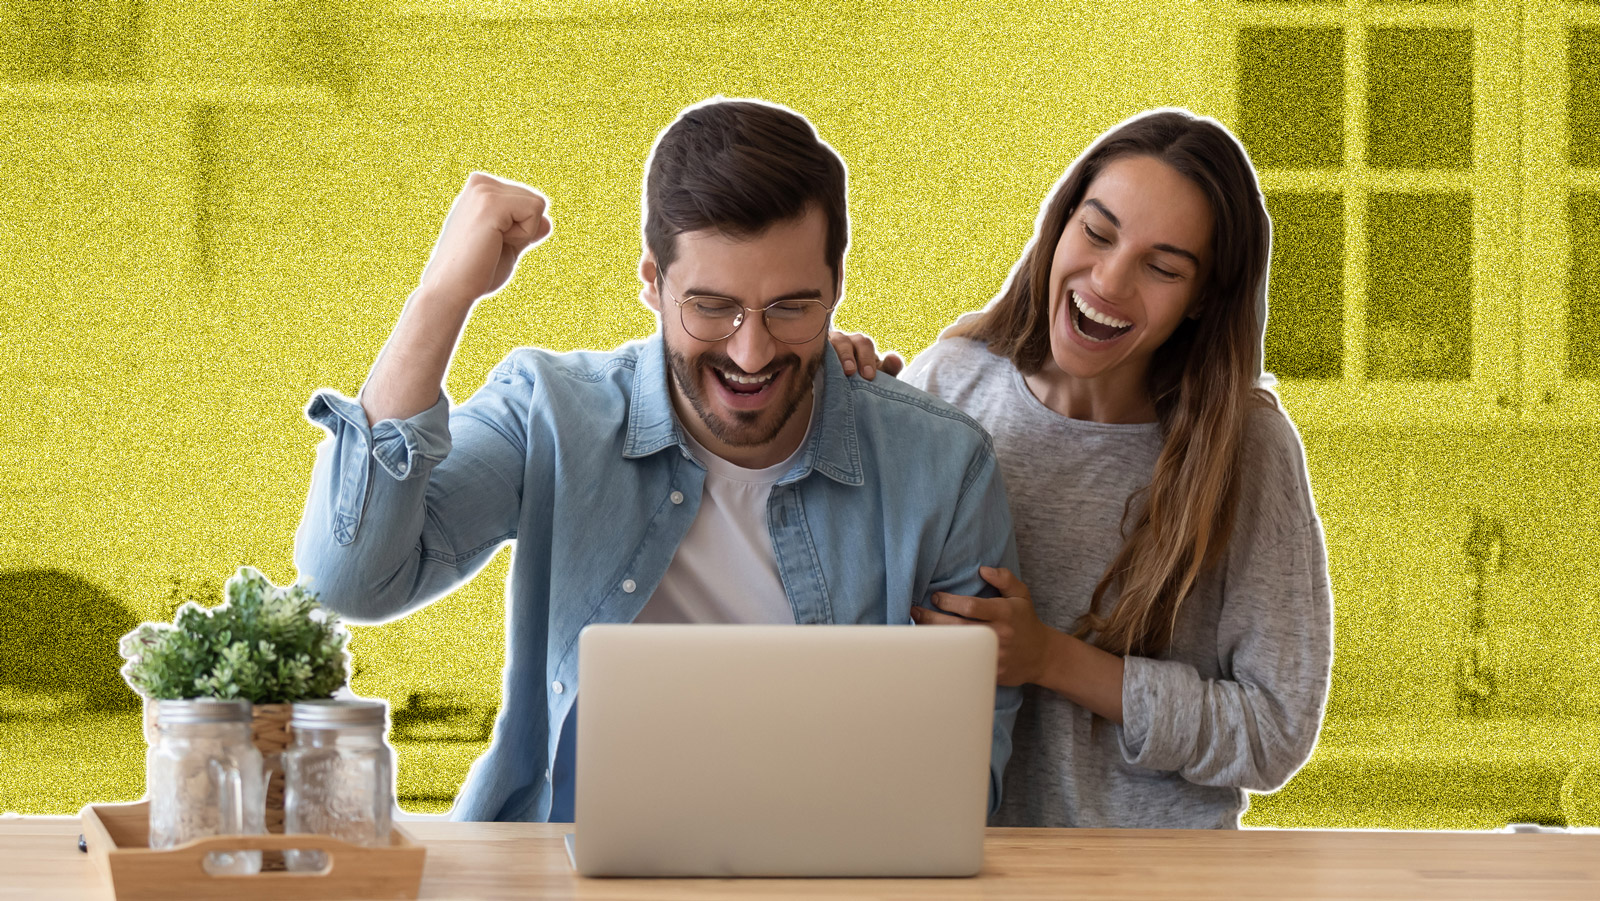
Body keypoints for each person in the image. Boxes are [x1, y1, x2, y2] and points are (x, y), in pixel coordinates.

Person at [292, 97, 1022, 823]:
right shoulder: (552, 411)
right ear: (652, 282)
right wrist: (441, 296)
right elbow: (352, 579)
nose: (751, 351)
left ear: (836, 287)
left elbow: (961, 782)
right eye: (711, 306)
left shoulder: (944, 467)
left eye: (791, 308)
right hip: (562, 866)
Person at [832, 108, 1333, 828]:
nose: (1108, 279)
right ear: (1060, 224)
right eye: (1097, 232)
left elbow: (1276, 729)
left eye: (1162, 268)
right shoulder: (953, 385)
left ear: (1201, 302)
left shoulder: (1246, 450)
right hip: (973, 864)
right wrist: (832, 399)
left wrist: (1051, 659)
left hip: (1160, 877)